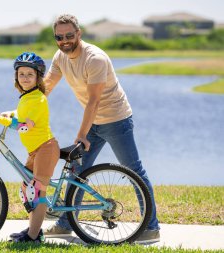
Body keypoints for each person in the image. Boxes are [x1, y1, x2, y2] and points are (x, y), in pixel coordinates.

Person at [42, 13, 161, 244]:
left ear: (79, 33)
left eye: (69, 35)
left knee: (134, 170)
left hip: (116, 120)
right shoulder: (60, 56)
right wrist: (26, 105)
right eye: (59, 36)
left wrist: (81, 135)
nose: (64, 40)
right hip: (93, 121)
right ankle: (66, 224)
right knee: (77, 171)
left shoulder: (94, 58)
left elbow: (94, 100)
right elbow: (46, 87)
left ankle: (151, 227)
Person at [0, 52, 60, 243]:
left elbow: (24, 125)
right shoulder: (27, 97)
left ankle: (32, 236)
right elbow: (21, 113)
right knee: (26, 188)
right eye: (21, 74)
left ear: (38, 77)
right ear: (16, 77)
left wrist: (2, 119)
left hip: (45, 148)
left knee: (37, 191)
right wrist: (8, 113)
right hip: (35, 151)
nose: (25, 78)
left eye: (30, 74)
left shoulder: (38, 99)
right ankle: (34, 230)